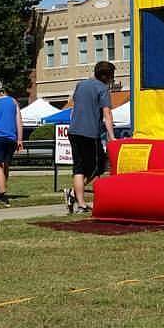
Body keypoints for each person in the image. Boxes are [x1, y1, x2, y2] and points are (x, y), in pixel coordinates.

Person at [65, 61, 116, 214]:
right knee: (98, 165)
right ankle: (74, 194)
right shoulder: (102, 89)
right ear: (107, 76)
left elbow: (74, 108)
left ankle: (80, 203)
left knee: (79, 167)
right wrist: (112, 137)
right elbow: (107, 114)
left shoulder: (81, 85)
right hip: (90, 132)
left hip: (74, 131)